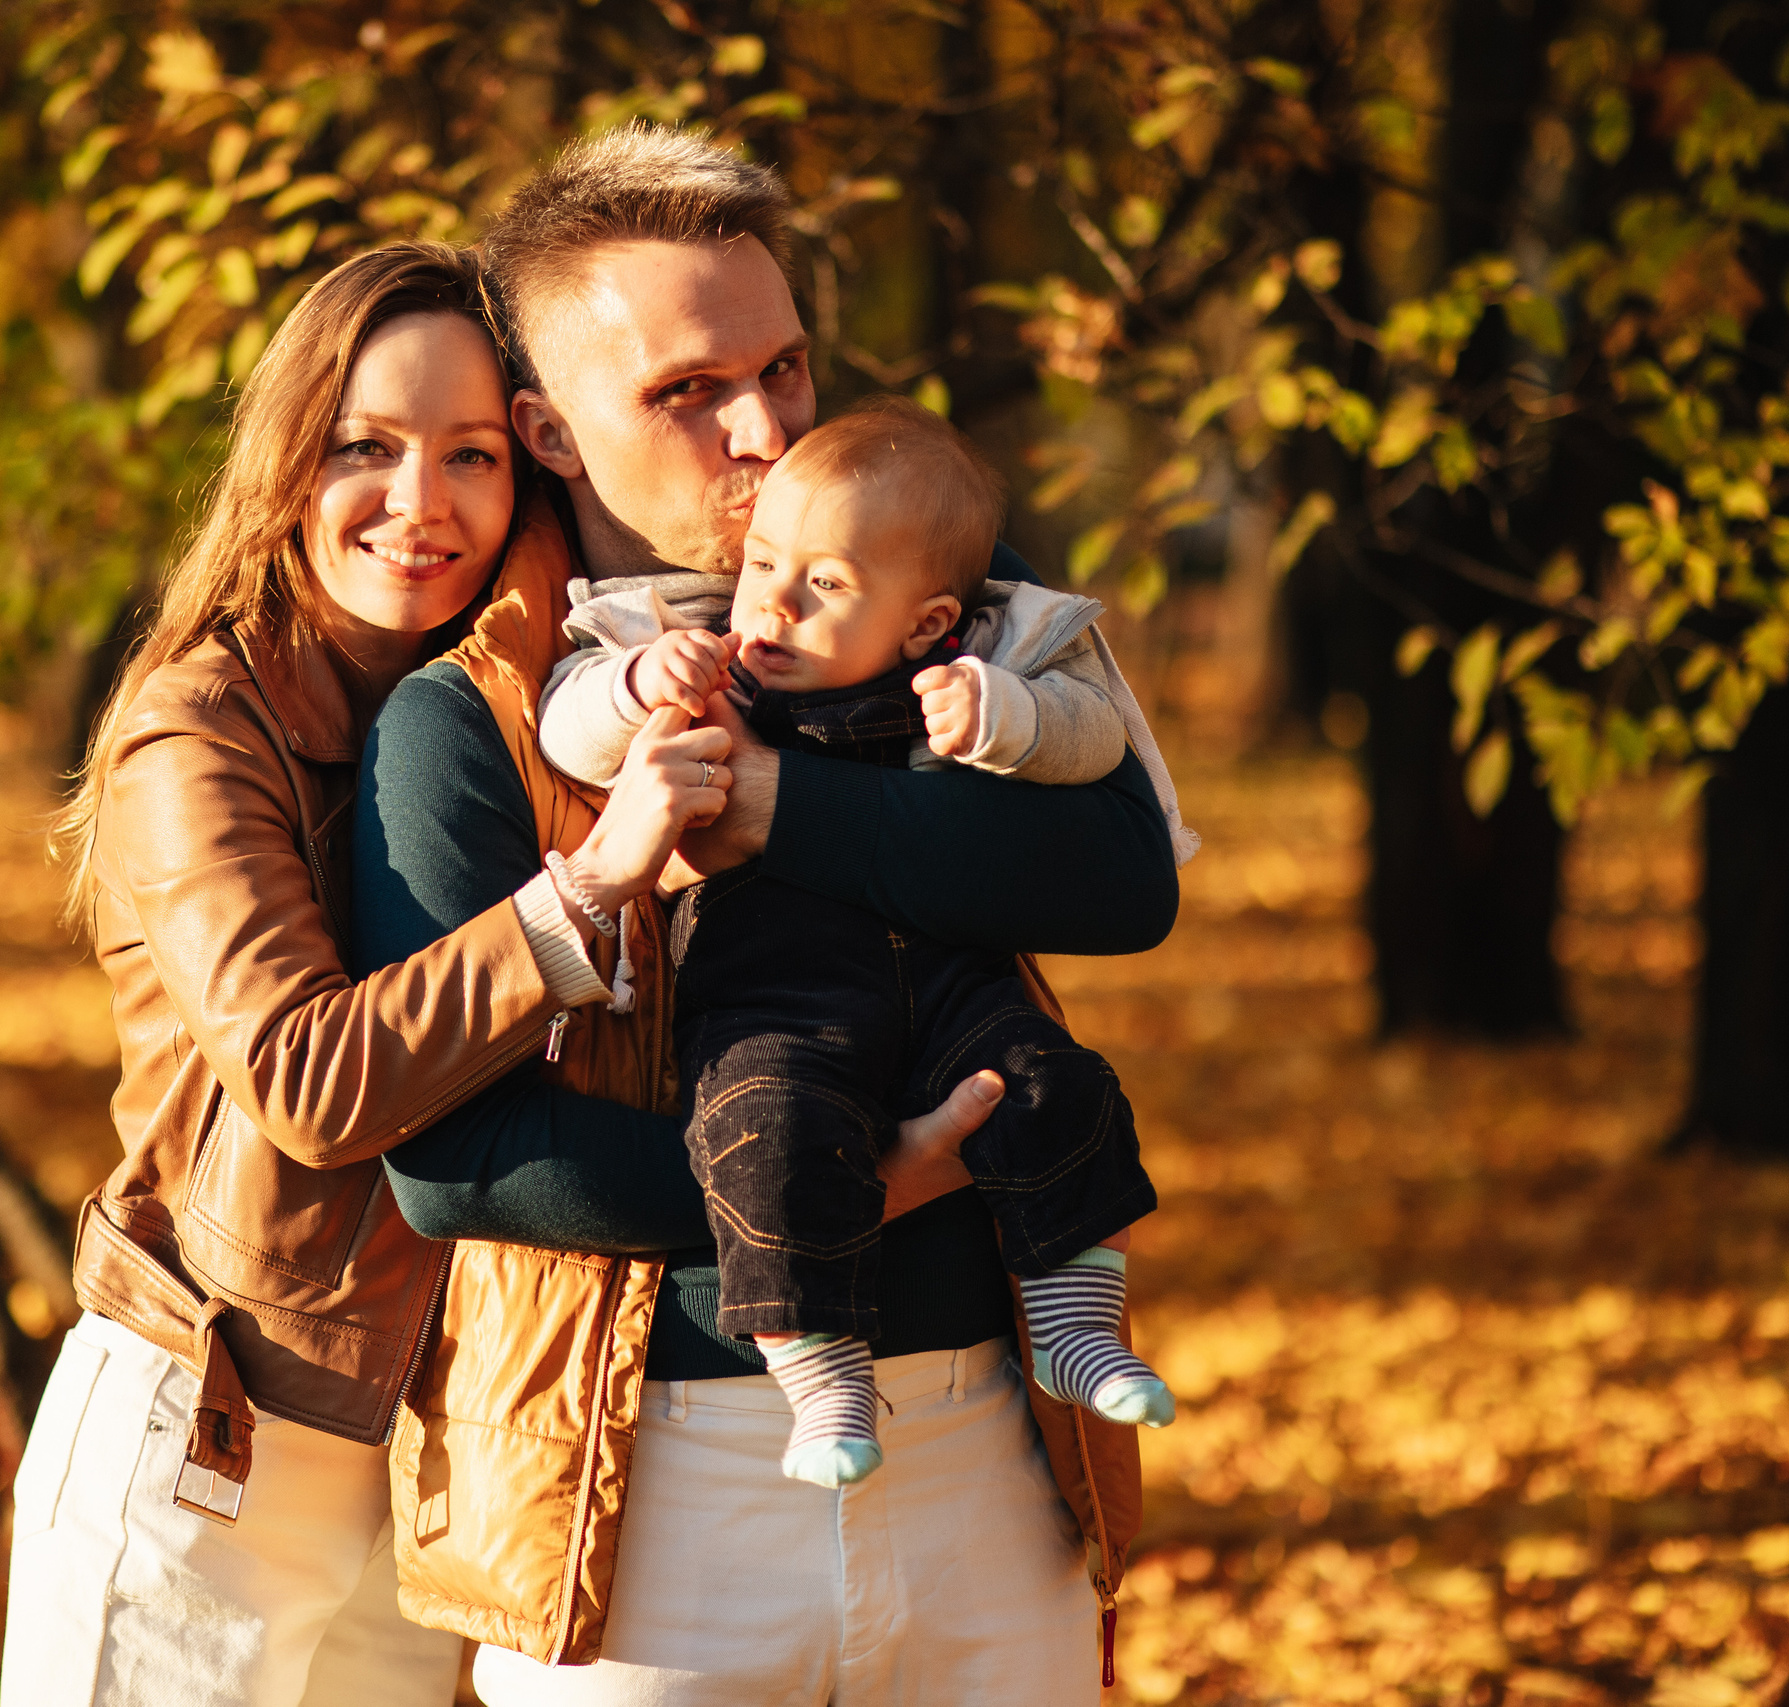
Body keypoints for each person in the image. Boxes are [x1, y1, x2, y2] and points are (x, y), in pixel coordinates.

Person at [353, 128, 1179, 1704]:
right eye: (686, 390)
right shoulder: (475, 719)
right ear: (548, 428)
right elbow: (458, 1165)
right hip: (648, 1480)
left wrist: (782, 808)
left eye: (787, 366)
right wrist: (859, 1184)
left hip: (990, 1445)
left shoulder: (945, 594)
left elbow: (1124, 876)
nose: (765, 428)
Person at [2, 241, 738, 1707]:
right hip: (207, 1431)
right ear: (288, 456)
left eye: (470, 453)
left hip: (424, 1446)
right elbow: (311, 1081)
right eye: (368, 446)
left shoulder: (510, 714)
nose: (423, 503)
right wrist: (583, 892)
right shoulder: (198, 723)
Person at [535, 397, 1188, 1491]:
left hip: (942, 985)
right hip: (771, 994)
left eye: (824, 588)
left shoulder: (981, 655)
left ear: (928, 623)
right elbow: (569, 720)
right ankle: (824, 1373)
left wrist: (1005, 716)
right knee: (761, 1135)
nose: (771, 608)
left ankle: (1078, 1324)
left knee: (1053, 1084)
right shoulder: (692, 646)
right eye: (761, 569)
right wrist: (638, 687)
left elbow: (1097, 744)